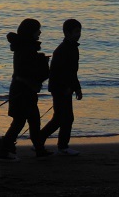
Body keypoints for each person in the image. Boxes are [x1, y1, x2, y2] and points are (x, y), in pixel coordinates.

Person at [0, 18, 52, 161]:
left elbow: (27, 70)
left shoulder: (25, 46)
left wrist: (40, 60)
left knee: (33, 120)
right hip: (23, 90)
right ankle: (4, 151)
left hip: (22, 89)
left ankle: (39, 149)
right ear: (30, 32)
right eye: (37, 30)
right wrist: (42, 62)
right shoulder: (26, 48)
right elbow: (27, 71)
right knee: (21, 122)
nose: (39, 32)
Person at [38, 18, 83, 156]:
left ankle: (40, 140)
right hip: (60, 89)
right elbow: (58, 73)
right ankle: (61, 146)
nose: (79, 34)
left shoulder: (72, 48)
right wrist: (65, 88)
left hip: (65, 88)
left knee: (61, 118)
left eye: (79, 31)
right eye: (76, 32)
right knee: (65, 118)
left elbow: (73, 72)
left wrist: (77, 88)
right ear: (67, 33)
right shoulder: (63, 50)